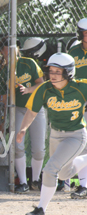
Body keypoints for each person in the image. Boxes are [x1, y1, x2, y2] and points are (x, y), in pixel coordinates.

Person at [18, 53, 87, 215]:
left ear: (68, 73)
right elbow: (32, 111)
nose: (53, 75)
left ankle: (40, 209)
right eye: (51, 71)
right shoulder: (44, 88)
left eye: (58, 71)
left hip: (76, 136)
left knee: (49, 170)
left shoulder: (81, 87)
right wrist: (22, 130)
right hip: (55, 135)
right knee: (64, 175)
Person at [0, 37, 46, 193]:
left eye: (12, 47)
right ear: (2, 52)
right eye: (5, 48)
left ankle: (35, 180)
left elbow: (41, 84)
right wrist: (4, 119)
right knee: (18, 146)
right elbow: (2, 99)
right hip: (17, 109)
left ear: (17, 49)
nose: (9, 50)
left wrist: (28, 90)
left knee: (38, 149)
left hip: (35, 108)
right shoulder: (3, 72)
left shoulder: (28, 63)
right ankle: (23, 182)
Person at [67, 18, 87, 198]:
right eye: (85, 33)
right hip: (79, 102)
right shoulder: (73, 52)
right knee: (81, 144)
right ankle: (83, 186)